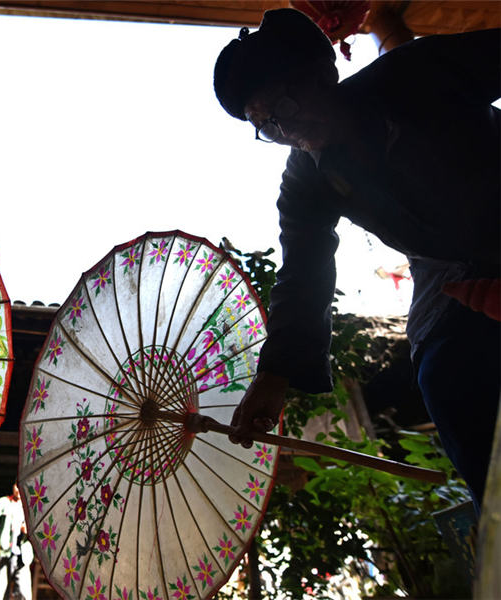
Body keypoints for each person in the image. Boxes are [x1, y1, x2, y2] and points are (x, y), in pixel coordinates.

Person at [212, 9, 500, 511]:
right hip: (448, 271)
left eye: (284, 104)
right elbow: (304, 269)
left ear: (322, 72)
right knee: (445, 373)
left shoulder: (415, 73)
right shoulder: (305, 179)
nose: (286, 127)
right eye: (267, 125)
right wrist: (274, 376)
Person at [0, 482, 34, 600]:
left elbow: (39, 530)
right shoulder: (3, 502)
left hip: (22, 554)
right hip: (4, 552)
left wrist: (28, 530)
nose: (19, 490)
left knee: (24, 592)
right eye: (17, 486)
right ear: (13, 486)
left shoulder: (30, 506)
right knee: (1, 592)